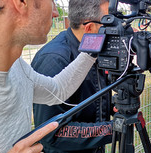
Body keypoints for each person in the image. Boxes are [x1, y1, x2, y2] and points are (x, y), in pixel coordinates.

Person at [0, 0, 98, 152]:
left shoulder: (17, 67)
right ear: (21, 2)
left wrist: (95, 45)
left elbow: (57, 90)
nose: (55, 13)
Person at [30, 0, 113, 152]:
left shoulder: (92, 49)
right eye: (109, 22)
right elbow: (52, 133)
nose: (116, 27)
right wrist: (111, 130)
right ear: (89, 28)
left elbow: (88, 98)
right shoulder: (54, 59)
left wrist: (114, 106)